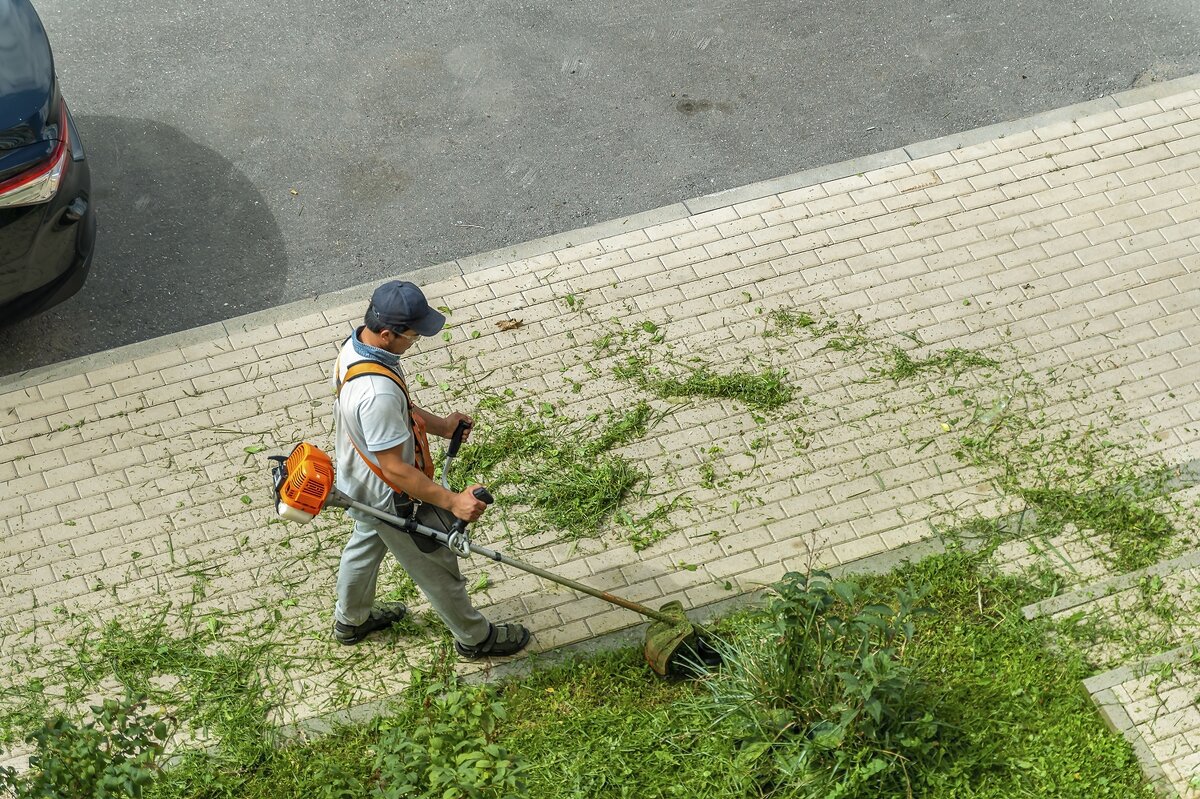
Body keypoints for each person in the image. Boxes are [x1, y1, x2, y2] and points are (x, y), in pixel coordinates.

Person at [329, 279, 530, 658]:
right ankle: (476, 638)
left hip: (356, 481)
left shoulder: (355, 350)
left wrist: (441, 427)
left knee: (364, 547)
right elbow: (397, 470)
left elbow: (399, 412)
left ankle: (350, 620)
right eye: (413, 335)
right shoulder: (376, 393)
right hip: (391, 497)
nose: (415, 341)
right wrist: (453, 502)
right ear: (387, 333)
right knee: (437, 566)